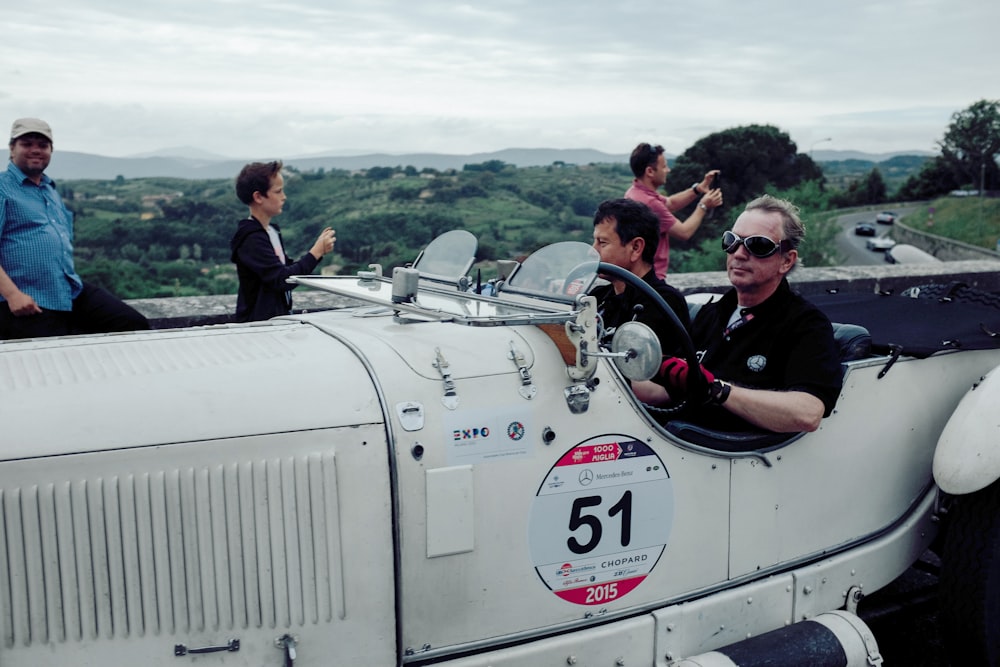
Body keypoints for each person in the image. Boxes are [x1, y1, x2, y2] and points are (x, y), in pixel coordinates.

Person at [644, 195, 842, 434]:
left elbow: (808, 413)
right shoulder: (712, 313)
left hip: (735, 457)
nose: (738, 253)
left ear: (786, 261)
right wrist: (610, 373)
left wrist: (719, 390)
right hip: (680, 442)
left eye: (758, 245)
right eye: (732, 241)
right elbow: (664, 393)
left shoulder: (805, 324)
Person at [0, 117, 150, 339]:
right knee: (54, 361)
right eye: (27, 144)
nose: (36, 150)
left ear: (51, 150)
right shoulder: (3, 189)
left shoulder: (49, 189)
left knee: (132, 324)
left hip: (67, 289)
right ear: (12, 148)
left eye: (43, 145)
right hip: (27, 300)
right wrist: (13, 295)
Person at [231, 160, 336, 322]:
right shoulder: (251, 239)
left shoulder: (271, 231)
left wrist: (317, 252)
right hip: (257, 327)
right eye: (278, 191)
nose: (284, 197)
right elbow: (282, 279)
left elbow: (287, 270)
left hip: (275, 321)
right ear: (258, 197)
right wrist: (316, 252)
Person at [589, 198, 691, 357]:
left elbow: (640, 371)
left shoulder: (663, 303)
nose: (592, 251)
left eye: (602, 243)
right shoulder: (598, 297)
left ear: (636, 248)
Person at [625, 142, 723, 278]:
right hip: (652, 278)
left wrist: (698, 189)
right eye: (664, 166)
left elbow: (670, 202)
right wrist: (703, 206)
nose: (668, 170)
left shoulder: (636, 192)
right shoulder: (649, 203)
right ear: (650, 171)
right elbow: (684, 232)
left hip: (640, 276)